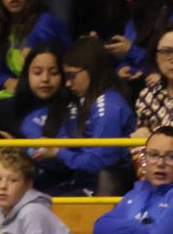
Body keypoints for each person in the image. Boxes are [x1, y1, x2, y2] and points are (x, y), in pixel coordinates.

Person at [26, 37, 137, 195]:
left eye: (72, 76)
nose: (68, 83)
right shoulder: (87, 102)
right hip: (81, 180)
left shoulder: (108, 106)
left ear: (92, 70)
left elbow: (100, 162)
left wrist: (58, 152)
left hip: (102, 185)